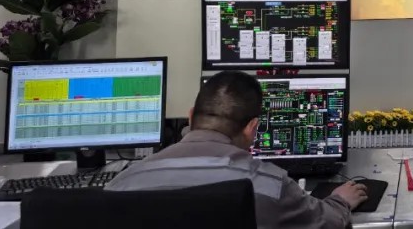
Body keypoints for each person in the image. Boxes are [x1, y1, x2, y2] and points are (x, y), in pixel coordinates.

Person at [107, 71, 366, 229]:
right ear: (252, 128)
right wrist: (340, 200)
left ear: (190, 116)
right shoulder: (270, 185)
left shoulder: (122, 184)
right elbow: (328, 223)